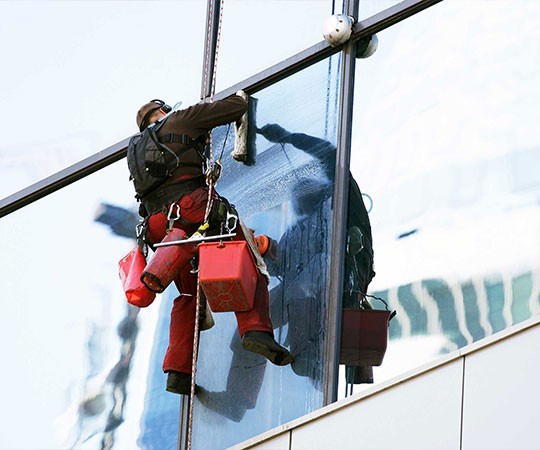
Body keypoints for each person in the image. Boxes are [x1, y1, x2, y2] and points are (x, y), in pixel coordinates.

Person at [131, 95, 293, 396]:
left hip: (161, 230)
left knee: (190, 293)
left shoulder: (136, 150)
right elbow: (235, 106)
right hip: (193, 208)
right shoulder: (178, 120)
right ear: (162, 112)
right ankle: (255, 329)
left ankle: (177, 370)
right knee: (245, 259)